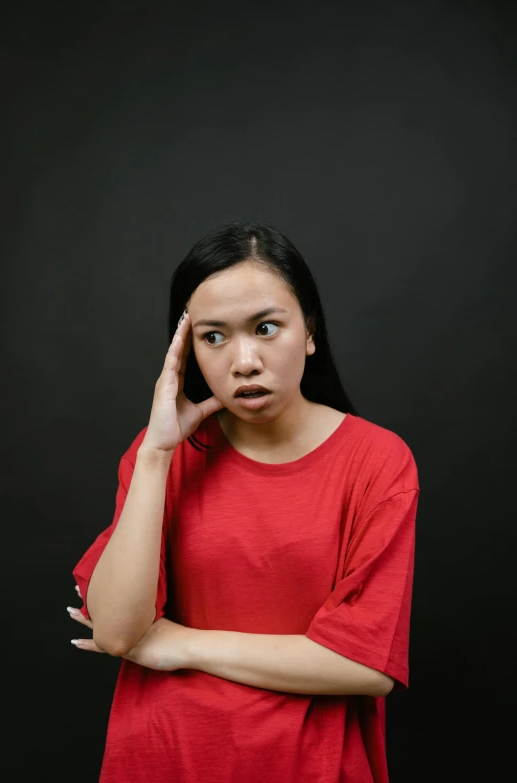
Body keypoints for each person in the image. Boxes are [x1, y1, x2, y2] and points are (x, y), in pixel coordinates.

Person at [69, 220, 419, 783]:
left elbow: (366, 664)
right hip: (164, 757)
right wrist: (158, 453)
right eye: (214, 337)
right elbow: (115, 632)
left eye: (266, 327)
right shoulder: (163, 455)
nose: (244, 361)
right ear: (186, 352)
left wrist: (179, 645)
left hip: (308, 764)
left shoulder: (377, 460)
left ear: (310, 330)